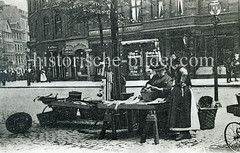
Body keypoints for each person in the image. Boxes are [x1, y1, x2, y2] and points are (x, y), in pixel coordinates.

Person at [139, 63, 173, 141]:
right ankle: (144, 131)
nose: (158, 73)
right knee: (142, 110)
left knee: (160, 114)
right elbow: (148, 83)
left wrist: (156, 88)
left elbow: (168, 90)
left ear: (164, 70)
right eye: (157, 71)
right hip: (152, 98)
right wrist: (146, 87)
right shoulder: (154, 77)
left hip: (163, 99)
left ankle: (161, 132)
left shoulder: (168, 79)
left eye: (160, 71)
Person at [168, 58, 200, 141]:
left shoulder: (180, 68)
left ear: (176, 64)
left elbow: (185, 73)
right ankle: (184, 132)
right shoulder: (179, 69)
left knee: (183, 111)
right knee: (183, 111)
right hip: (182, 91)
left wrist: (182, 82)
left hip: (184, 92)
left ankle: (184, 132)